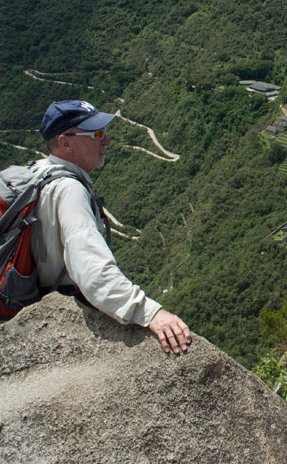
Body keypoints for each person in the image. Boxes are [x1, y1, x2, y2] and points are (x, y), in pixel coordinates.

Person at [30, 99, 192, 355]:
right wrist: (149, 312)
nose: (106, 140)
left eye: (104, 132)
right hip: (53, 315)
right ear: (65, 142)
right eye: (96, 134)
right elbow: (92, 270)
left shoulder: (37, 172)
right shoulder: (69, 191)